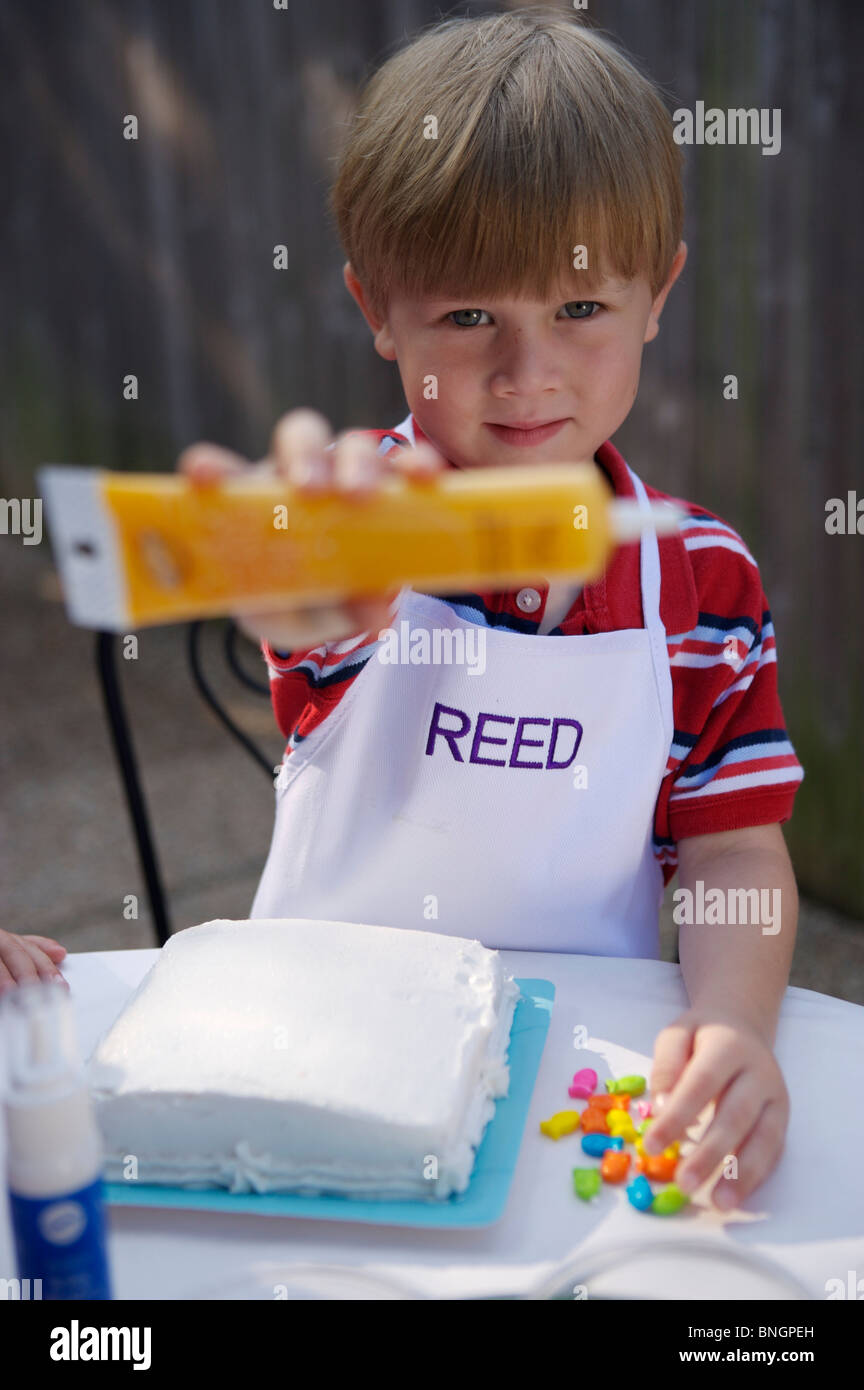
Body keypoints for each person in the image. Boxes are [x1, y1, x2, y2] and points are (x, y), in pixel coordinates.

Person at [4, 11, 803, 1210]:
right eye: (469, 316)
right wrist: (309, 578)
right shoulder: (354, 514)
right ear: (377, 308)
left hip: (583, 1088)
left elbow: (735, 845)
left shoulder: (706, 579)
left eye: (579, 310)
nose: (527, 373)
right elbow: (314, 606)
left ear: (658, 294)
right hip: (313, 1070)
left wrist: (733, 1022)